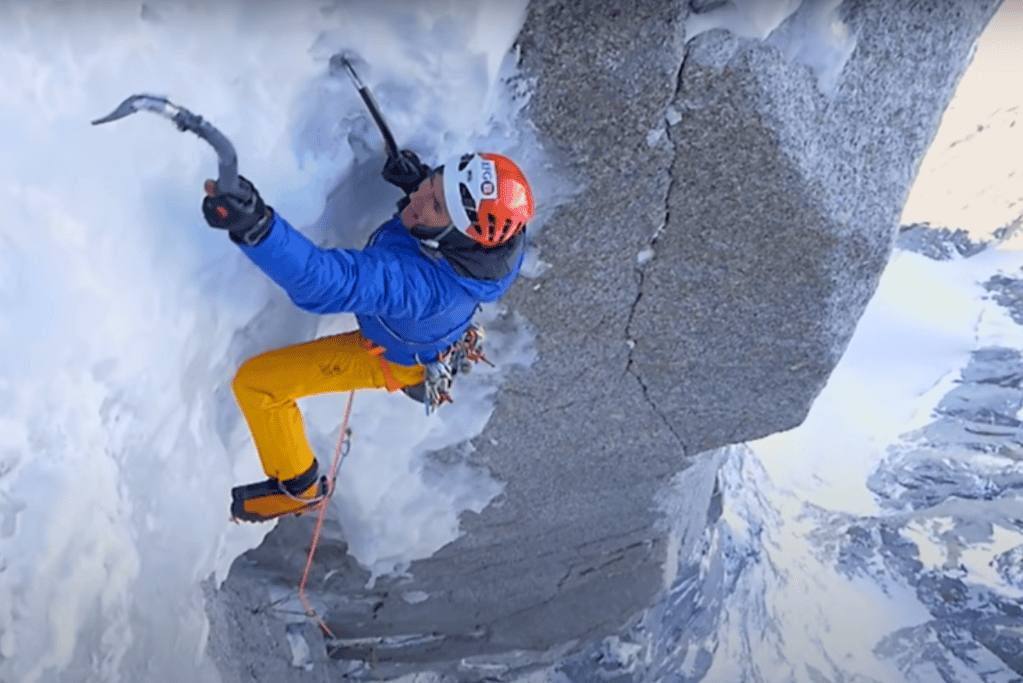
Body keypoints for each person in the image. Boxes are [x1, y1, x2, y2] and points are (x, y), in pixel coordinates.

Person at [201, 151, 534, 522]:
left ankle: (299, 489)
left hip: (389, 355)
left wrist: (257, 228)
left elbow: (325, 283)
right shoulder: (498, 247)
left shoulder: (421, 286)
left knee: (258, 386)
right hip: (428, 331)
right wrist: (417, 179)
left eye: (437, 207)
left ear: (457, 237)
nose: (419, 200)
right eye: (433, 184)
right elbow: (439, 205)